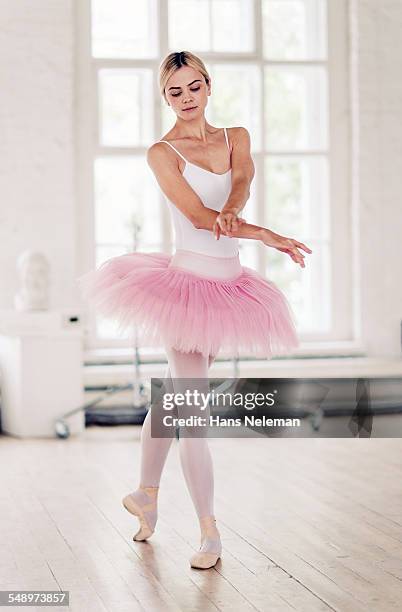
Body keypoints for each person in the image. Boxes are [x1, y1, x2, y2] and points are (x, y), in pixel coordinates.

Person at [77, 50, 312, 570]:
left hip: (228, 290)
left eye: (193, 87)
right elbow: (200, 217)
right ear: (164, 97)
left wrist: (237, 205)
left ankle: (145, 494)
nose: (186, 99)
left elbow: (243, 179)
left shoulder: (236, 137)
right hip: (186, 290)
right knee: (191, 412)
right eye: (174, 92)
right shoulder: (163, 152)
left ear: (208, 86)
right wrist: (265, 235)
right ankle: (209, 530)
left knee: (172, 395)